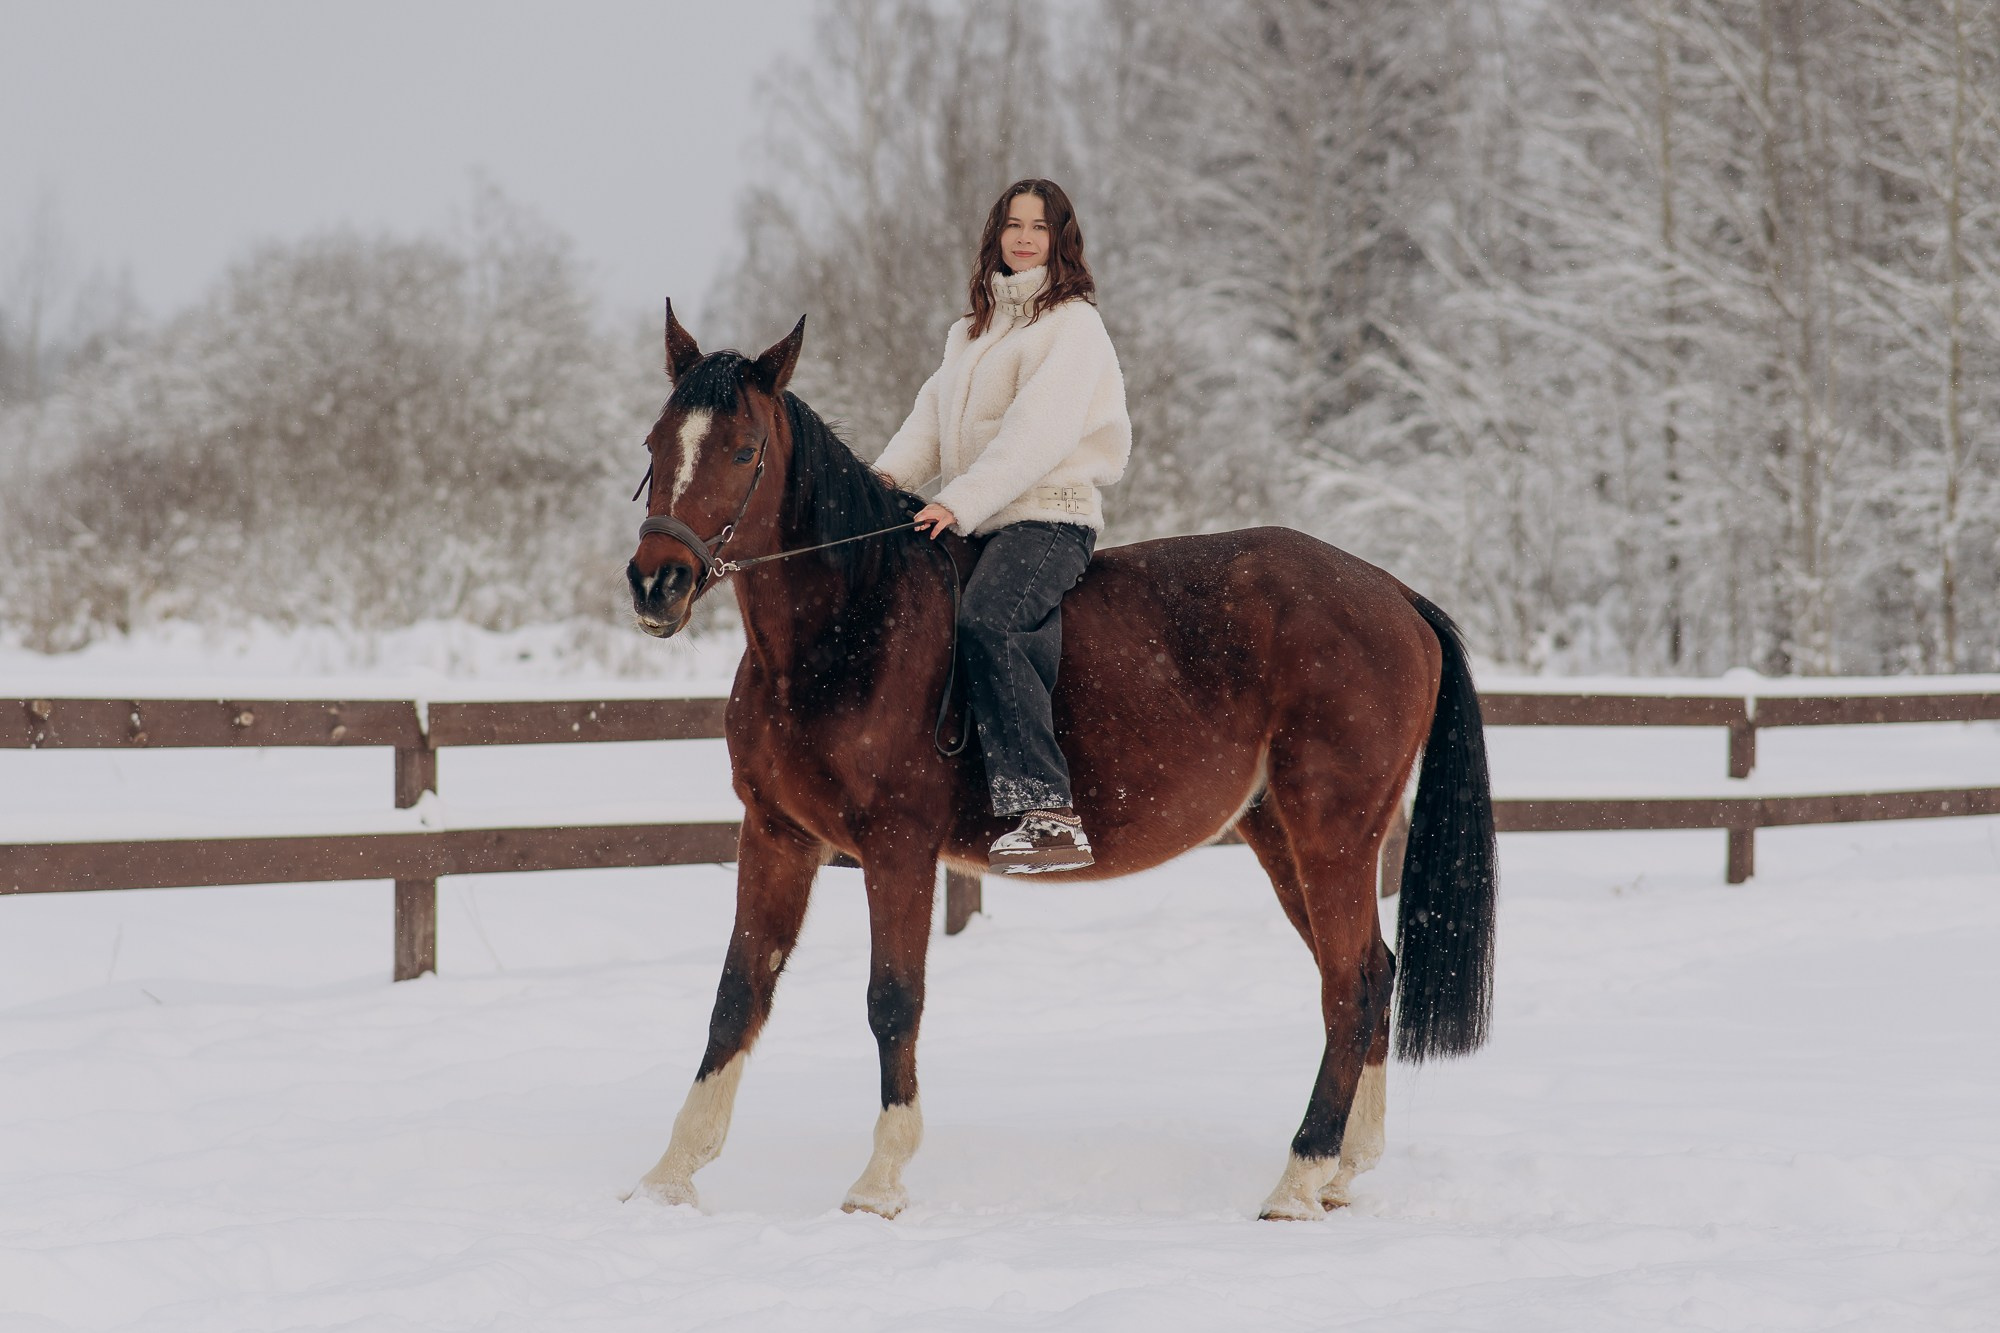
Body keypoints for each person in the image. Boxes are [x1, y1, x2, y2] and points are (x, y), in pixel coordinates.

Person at [874, 178, 1132, 874]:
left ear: (1061, 240)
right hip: (985, 518)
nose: (1024, 237)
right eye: (1013, 224)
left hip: (1049, 517)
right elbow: (929, 420)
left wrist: (959, 500)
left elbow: (1036, 434)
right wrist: (883, 482)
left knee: (991, 622)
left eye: (1039, 228)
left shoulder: (1072, 325)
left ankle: (1046, 811)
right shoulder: (973, 332)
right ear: (996, 235)